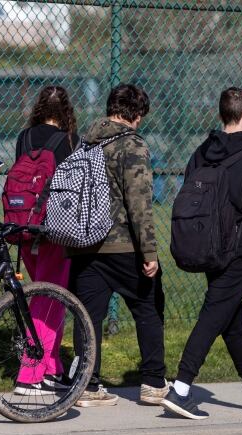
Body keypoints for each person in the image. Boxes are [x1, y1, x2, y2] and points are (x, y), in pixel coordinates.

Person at [161, 87, 242, 420]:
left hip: (207, 247)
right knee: (215, 314)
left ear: (221, 114)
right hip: (238, 253)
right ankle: (181, 388)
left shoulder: (202, 152)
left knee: (230, 317)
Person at [68, 84, 168, 407]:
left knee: (88, 317)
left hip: (84, 244)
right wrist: (149, 252)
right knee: (148, 307)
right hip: (122, 244)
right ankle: (153, 382)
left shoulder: (85, 143)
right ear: (135, 114)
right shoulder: (132, 144)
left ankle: (87, 385)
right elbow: (139, 203)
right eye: (141, 118)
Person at [11, 86, 79, 396]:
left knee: (43, 294)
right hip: (53, 229)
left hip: (22, 226)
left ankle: (53, 368)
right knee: (49, 297)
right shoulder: (68, 141)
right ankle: (30, 371)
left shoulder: (23, 138)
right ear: (66, 111)